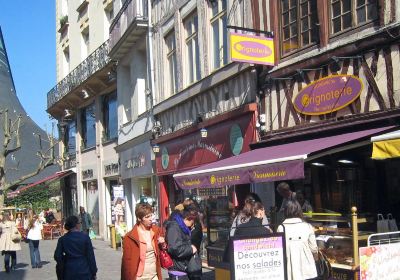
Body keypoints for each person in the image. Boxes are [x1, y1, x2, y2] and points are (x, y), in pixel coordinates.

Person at [121, 203, 163, 280]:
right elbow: (126, 264)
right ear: (139, 219)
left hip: (154, 275)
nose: (151, 219)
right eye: (147, 217)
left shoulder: (156, 231)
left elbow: (163, 251)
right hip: (139, 277)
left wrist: (163, 243)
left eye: (151, 215)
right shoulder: (130, 237)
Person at [278, 200, 318, 280]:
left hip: (289, 268)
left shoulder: (281, 228)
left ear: (286, 211)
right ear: (299, 210)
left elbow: (280, 250)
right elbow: (313, 248)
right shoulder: (307, 226)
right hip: (307, 268)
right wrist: (316, 257)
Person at [54, 215, 97, 280]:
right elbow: (90, 257)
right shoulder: (85, 238)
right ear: (76, 225)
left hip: (69, 271)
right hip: (84, 270)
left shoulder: (63, 239)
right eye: (80, 223)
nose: (80, 225)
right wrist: (94, 272)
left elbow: (57, 256)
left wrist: (65, 260)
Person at [165, 204, 201, 280]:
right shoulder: (174, 227)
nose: (193, 225)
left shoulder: (183, 227)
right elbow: (174, 248)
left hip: (185, 268)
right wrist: (191, 249)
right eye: (193, 222)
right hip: (178, 270)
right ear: (188, 218)